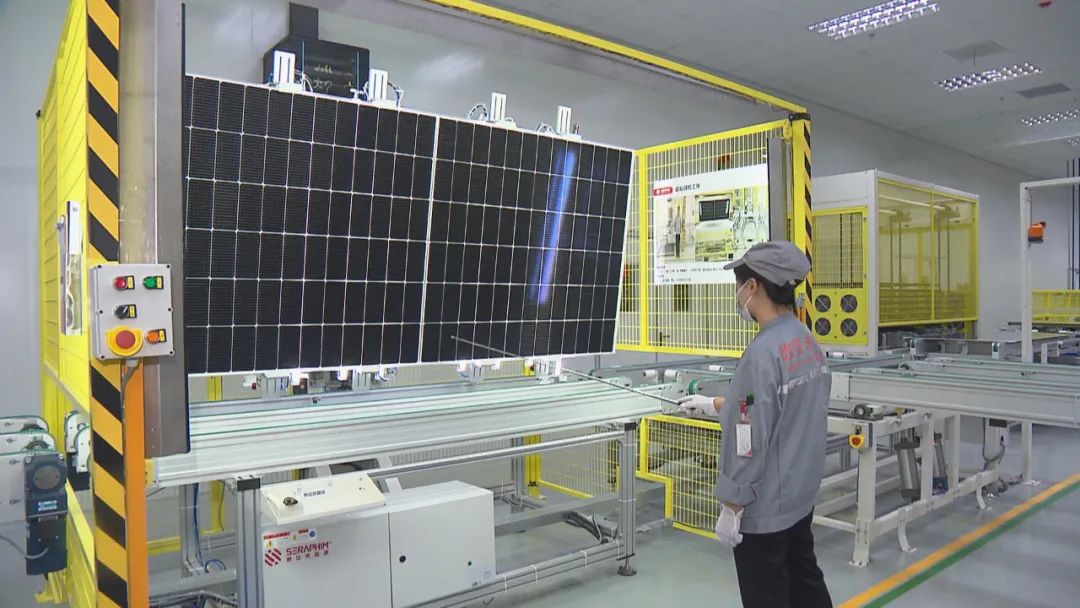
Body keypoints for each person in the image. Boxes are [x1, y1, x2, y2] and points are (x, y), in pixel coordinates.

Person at [678, 240, 833, 608]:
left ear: (753, 286)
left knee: (768, 596)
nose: (737, 295)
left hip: (765, 509)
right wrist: (717, 405)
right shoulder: (805, 340)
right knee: (805, 581)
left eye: (739, 285)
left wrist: (733, 505)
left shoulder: (761, 354)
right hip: (799, 495)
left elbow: (747, 438)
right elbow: (784, 408)